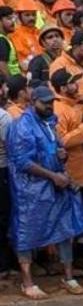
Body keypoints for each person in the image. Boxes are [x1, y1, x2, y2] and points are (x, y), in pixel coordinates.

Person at [8, 85, 83, 297]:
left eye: (51, 102)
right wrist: (53, 176)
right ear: (33, 102)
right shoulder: (22, 126)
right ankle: (27, 282)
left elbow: (54, 148)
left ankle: (68, 277)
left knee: (65, 228)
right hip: (31, 190)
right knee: (27, 231)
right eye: (45, 103)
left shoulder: (50, 122)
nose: (49, 106)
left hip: (56, 185)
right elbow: (22, 161)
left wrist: (62, 156)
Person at [51, 68, 83, 187]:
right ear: (63, 88)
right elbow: (62, 140)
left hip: (78, 167)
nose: (76, 85)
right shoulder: (59, 110)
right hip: (70, 170)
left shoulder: (70, 104)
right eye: (72, 83)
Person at [0, 77, 15, 277]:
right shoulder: (4, 118)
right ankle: (3, 265)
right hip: (2, 170)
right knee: (3, 218)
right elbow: (13, 147)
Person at [11, 0, 40, 68]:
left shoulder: (39, 32)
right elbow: (23, 62)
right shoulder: (16, 35)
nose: (32, 18)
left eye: (34, 15)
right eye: (27, 15)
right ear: (19, 16)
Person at [1, 6, 18, 76]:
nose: (13, 22)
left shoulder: (5, 38)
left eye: (14, 18)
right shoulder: (1, 40)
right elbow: (2, 65)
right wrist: (11, 83)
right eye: (9, 18)